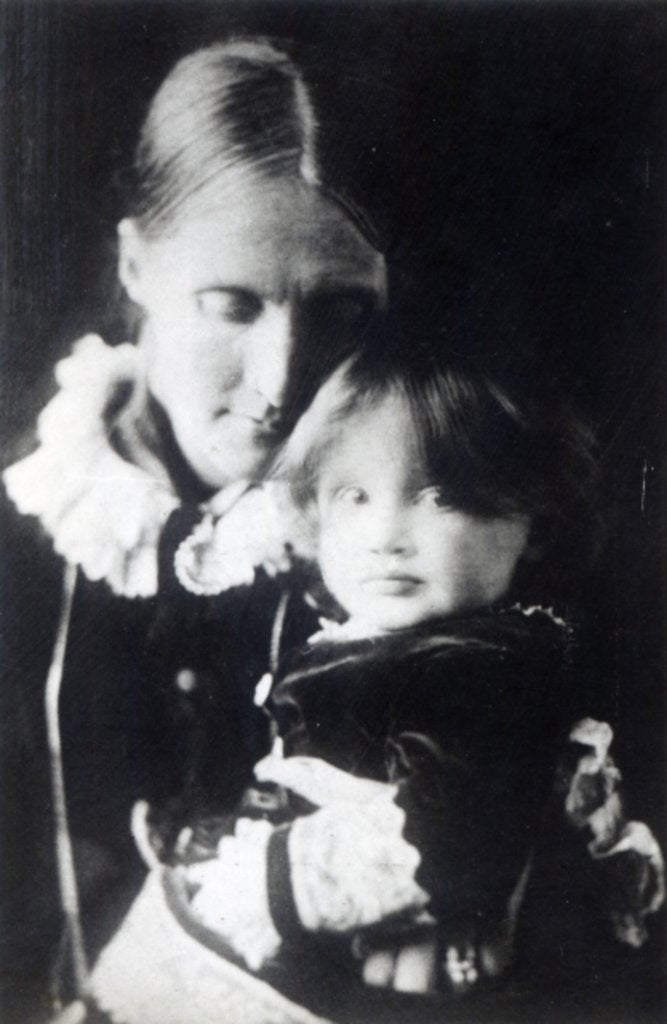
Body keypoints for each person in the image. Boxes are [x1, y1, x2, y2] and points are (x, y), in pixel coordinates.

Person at [86, 339, 664, 1024]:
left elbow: (451, 832)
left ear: (531, 523)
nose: (386, 533)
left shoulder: (485, 665)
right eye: (354, 495)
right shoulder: (380, 641)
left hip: (379, 957)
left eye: (440, 496)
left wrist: (268, 881)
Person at [0, 37, 388, 1024]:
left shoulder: (412, 538)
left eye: (340, 312)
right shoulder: (36, 514)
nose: (280, 381)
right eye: (232, 305)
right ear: (137, 262)